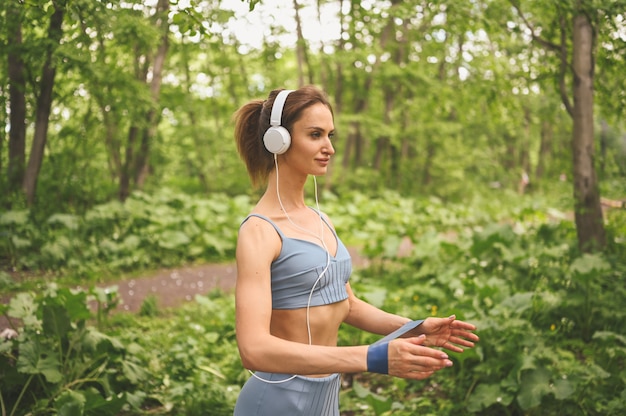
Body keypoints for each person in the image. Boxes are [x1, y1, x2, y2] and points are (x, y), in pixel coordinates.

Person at [232, 85, 479, 416]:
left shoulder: (320, 219)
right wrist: (370, 357)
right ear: (279, 140)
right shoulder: (259, 230)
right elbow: (253, 349)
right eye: (315, 135)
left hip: (325, 400)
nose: (329, 148)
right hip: (277, 402)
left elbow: (346, 304)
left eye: (330, 135)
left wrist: (415, 327)